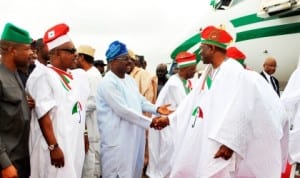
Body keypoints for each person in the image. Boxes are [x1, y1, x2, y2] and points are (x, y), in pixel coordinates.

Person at [156, 25, 286, 178]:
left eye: (202, 48)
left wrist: (230, 143)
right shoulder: (208, 72)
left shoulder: (234, 72)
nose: (199, 52)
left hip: (222, 141)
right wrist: (170, 119)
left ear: (212, 48)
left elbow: (242, 108)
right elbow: (192, 101)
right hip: (205, 136)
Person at [96, 40, 170, 178]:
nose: (129, 62)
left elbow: (140, 101)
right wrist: (150, 123)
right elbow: (122, 110)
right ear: (113, 61)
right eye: (125, 59)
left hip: (134, 137)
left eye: (129, 59)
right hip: (117, 141)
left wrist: (157, 109)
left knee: (135, 172)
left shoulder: (129, 80)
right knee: (118, 174)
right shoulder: (107, 83)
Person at [26, 23, 89, 178]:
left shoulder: (77, 76)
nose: (76, 54)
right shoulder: (44, 75)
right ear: (56, 53)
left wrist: (85, 134)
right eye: (71, 50)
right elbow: (43, 114)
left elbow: (80, 107)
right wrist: (53, 147)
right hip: (56, 146)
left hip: (74, 143)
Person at [147, 51, 197, 178]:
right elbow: (185, 108)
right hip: (167, 128)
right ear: (186, 69)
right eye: (193, 69)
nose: (195, 71)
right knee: (168, 160)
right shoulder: (175, 84)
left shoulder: (183, 82)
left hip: (174, 125)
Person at [0, 22, 33, 178]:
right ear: (13, 50)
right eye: (26, 49)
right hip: (8, 165)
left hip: (22, 161)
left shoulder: (16, 74)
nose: (31, 53)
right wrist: (5, 164)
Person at [76, 45, 102, 178]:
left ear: (81, 57)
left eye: (76, 57)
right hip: (87, 126)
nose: (74, 60)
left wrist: (74, 113)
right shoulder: (89, 74)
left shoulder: (92, 76)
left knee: (91, 165)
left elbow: (93, 102)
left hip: (92, 127)